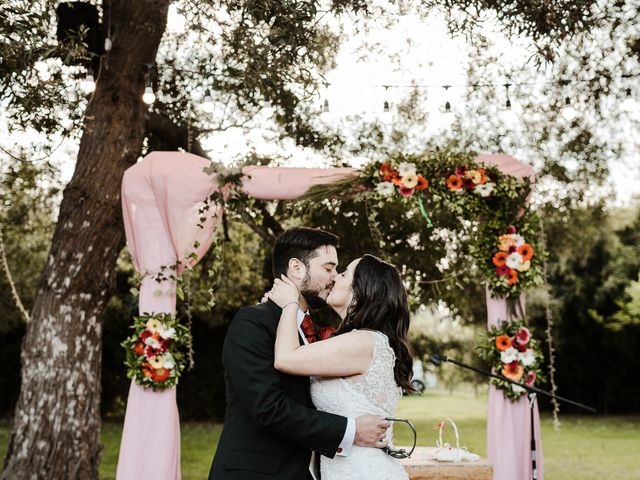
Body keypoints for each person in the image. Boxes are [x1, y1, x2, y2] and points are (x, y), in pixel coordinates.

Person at [210, 227, 390, 480]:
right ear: (296, 268)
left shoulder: (315, 333)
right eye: (328, 268)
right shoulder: (252, 323)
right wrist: (350, 430)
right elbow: (268, 407)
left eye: (337, 270)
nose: (334, 277)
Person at [267, 253, 414, 480]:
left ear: (362, 289)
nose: (335, 276)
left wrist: (289, 304)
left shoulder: (363, 342)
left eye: (344, 273)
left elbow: (285, 358)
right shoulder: (364, 340)